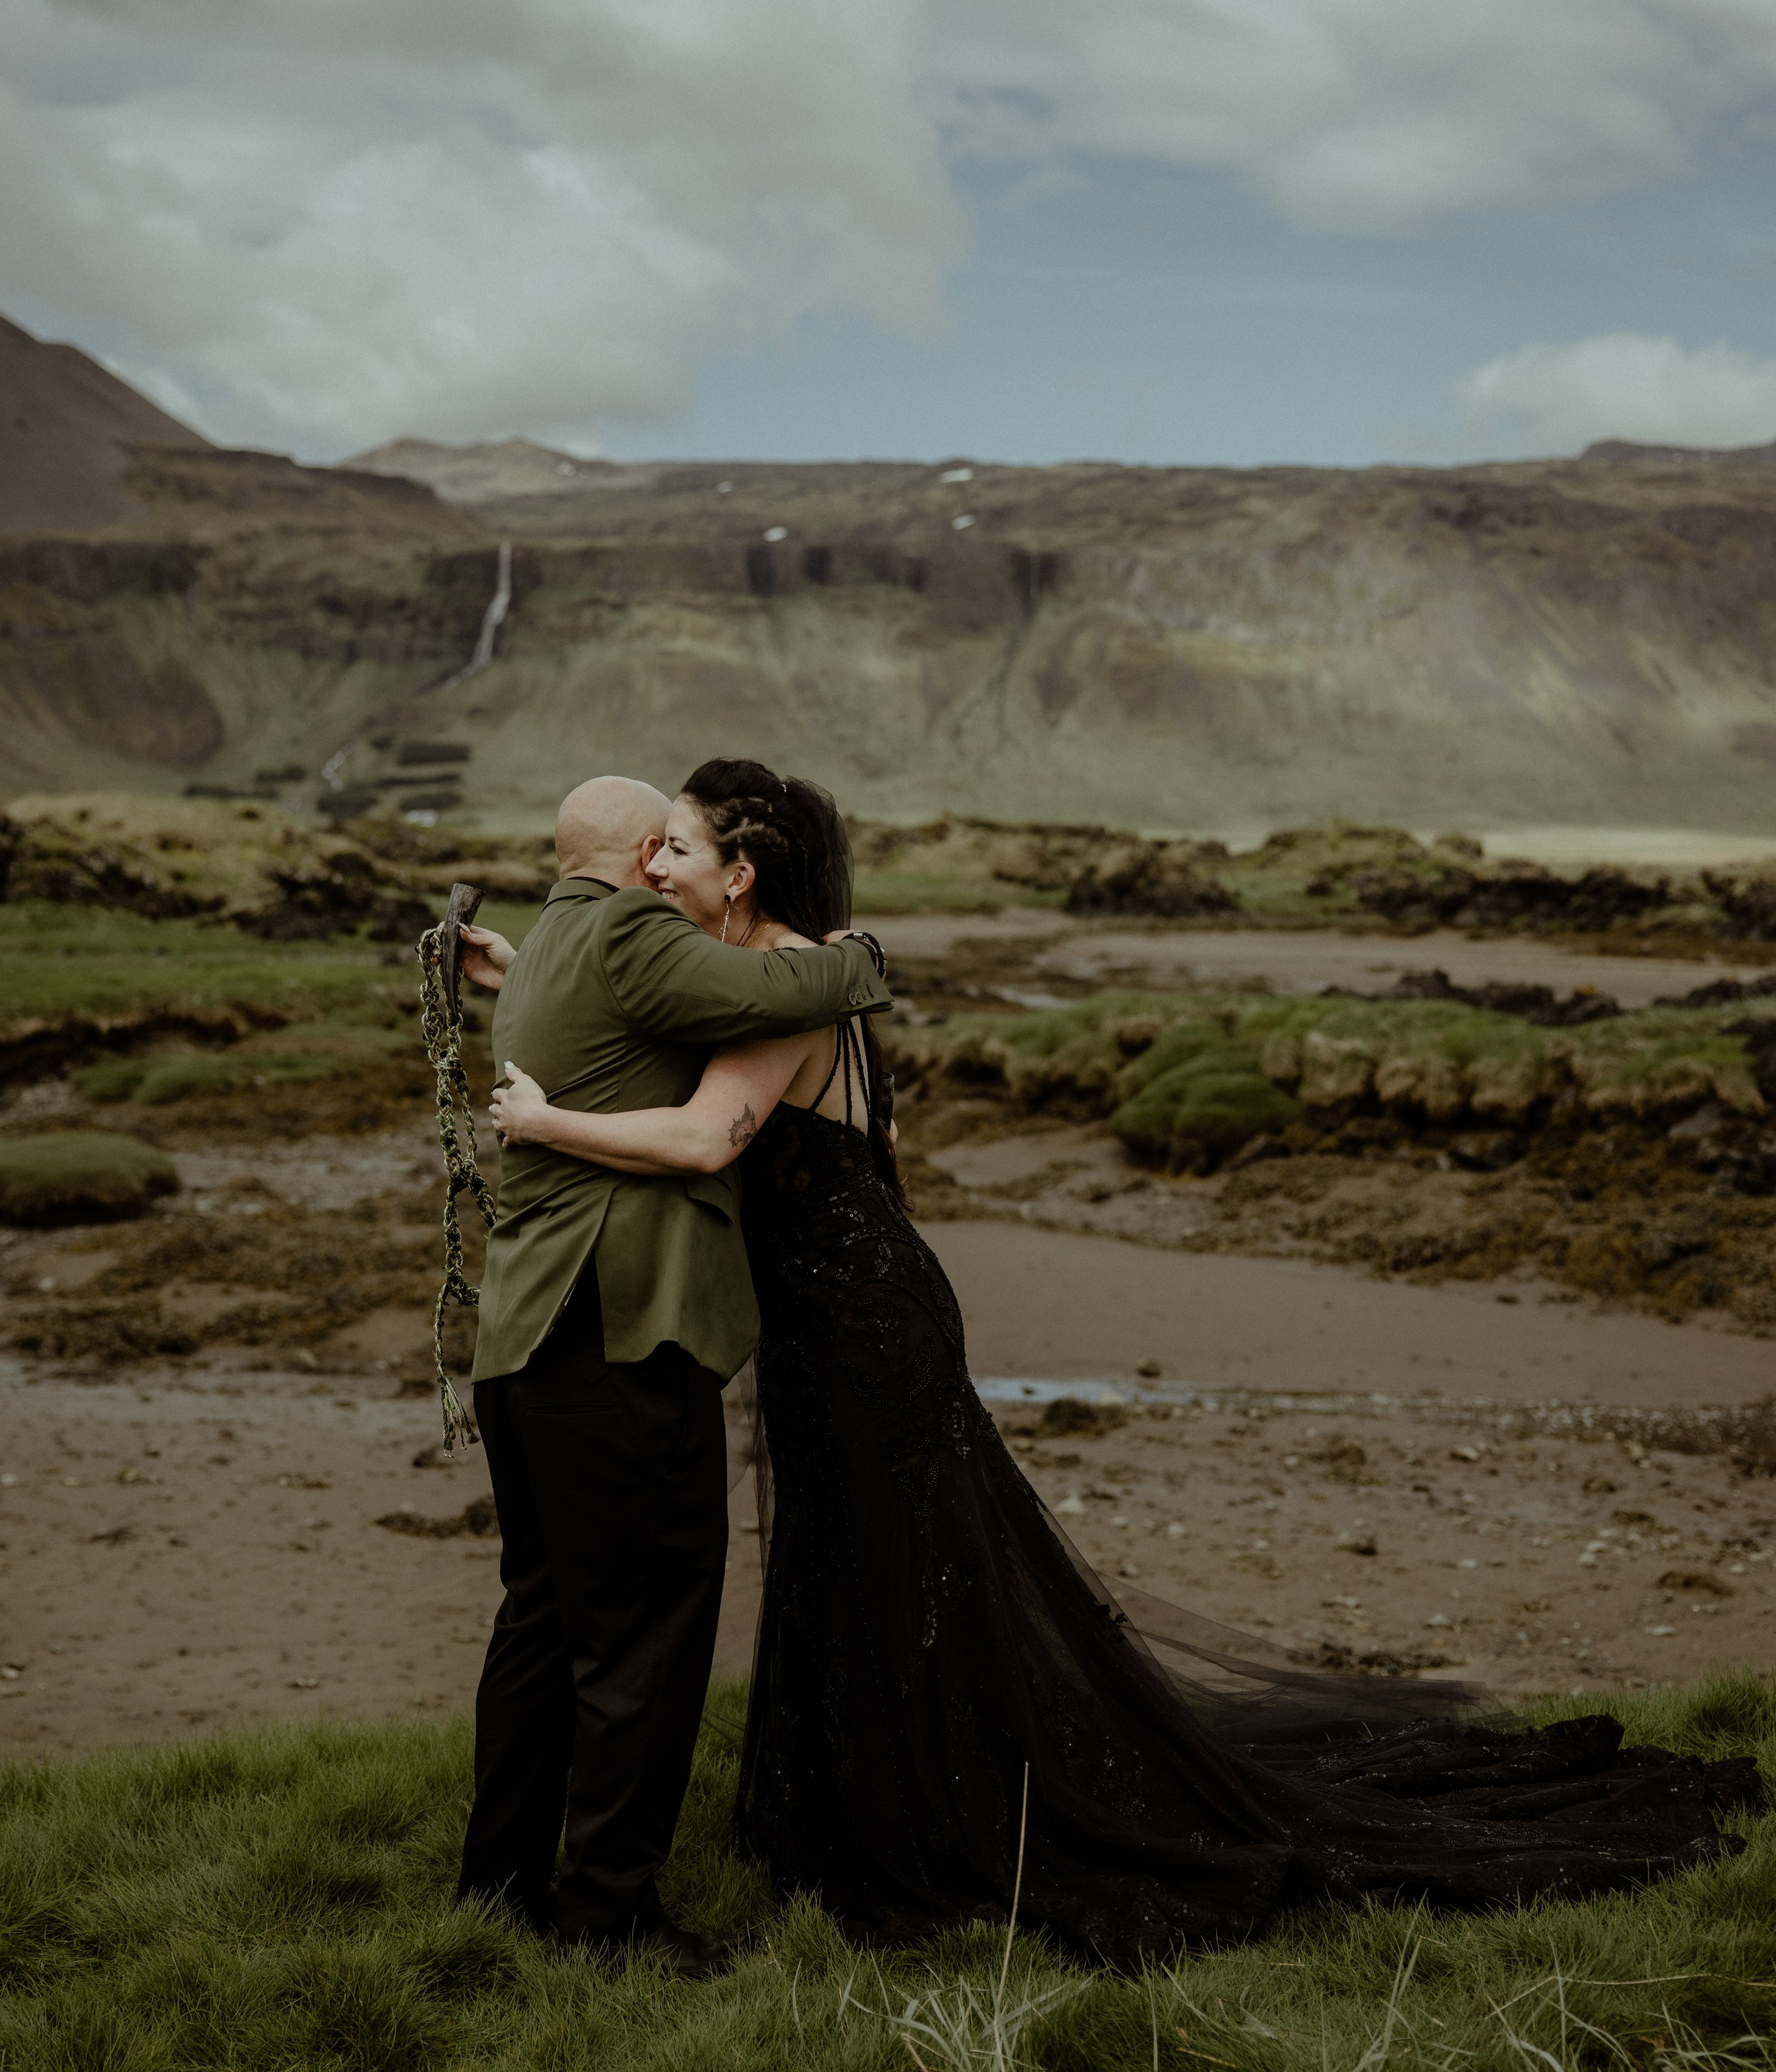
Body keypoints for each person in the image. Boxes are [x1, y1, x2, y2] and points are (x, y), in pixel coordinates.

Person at [490, 759, 1762, 1971]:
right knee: (879, 1575)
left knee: (906, 1575)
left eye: (683, 847)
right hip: (846, 1315)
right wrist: (532, 970)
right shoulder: (754, 972)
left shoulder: (798, 981)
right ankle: (879, 1807)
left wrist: (545, 1118)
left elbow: (715, 1131)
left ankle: (945, 1821)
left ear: (746, 871)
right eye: (650, 847)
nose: (659, 868)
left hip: (858, 1325)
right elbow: (674, 1029)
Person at [452, 771, 891, 1978]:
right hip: (619, 1333)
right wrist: (861, 954)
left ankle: (497, 1891)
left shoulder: (543, 943)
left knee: (542, 1621)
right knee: (644, 1632)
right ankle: (609, 1916)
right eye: (670, 845)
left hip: (524, 1341)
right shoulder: (635, 929)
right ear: (648, 851)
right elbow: (785, 987)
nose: (668, 867)